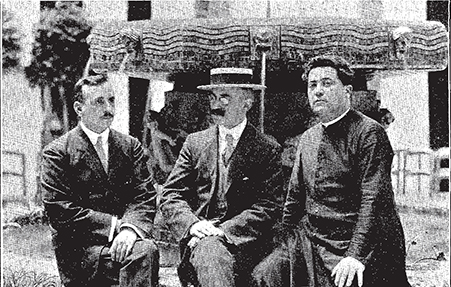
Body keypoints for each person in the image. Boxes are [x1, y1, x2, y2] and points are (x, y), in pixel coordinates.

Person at [253, 55, 411, 287]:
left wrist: (355, 256)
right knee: (265, 274)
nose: (318, 91)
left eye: (327, 84)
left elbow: (373, 201)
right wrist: (282, 243)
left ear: (347, 90)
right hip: (312, 239)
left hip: (358, 241)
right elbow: (295, 200)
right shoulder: (308, 138)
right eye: (312, 85)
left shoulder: (369, 133)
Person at [159, 67, 284, 287]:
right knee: (211, 251)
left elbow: (269, 205)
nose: (216, 105)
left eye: (225, 97)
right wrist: (193, 226)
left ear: (247, 103)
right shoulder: (195, 143)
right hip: (202, 245)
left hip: (246, 244)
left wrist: (223, 231)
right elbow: (171, 194)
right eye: (213, 97)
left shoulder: (266, 148)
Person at [41, 73, 159, 287]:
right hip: (82, 251)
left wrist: (130, 229)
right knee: (140, 257)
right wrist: (114, 226)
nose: (109, 109)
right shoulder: (57, 153)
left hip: (126, 241)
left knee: (147, 250)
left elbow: (144, 194)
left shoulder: (130, 147)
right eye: (99, 101)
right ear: (79, 109)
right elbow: (59, 210)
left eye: (111, 100)